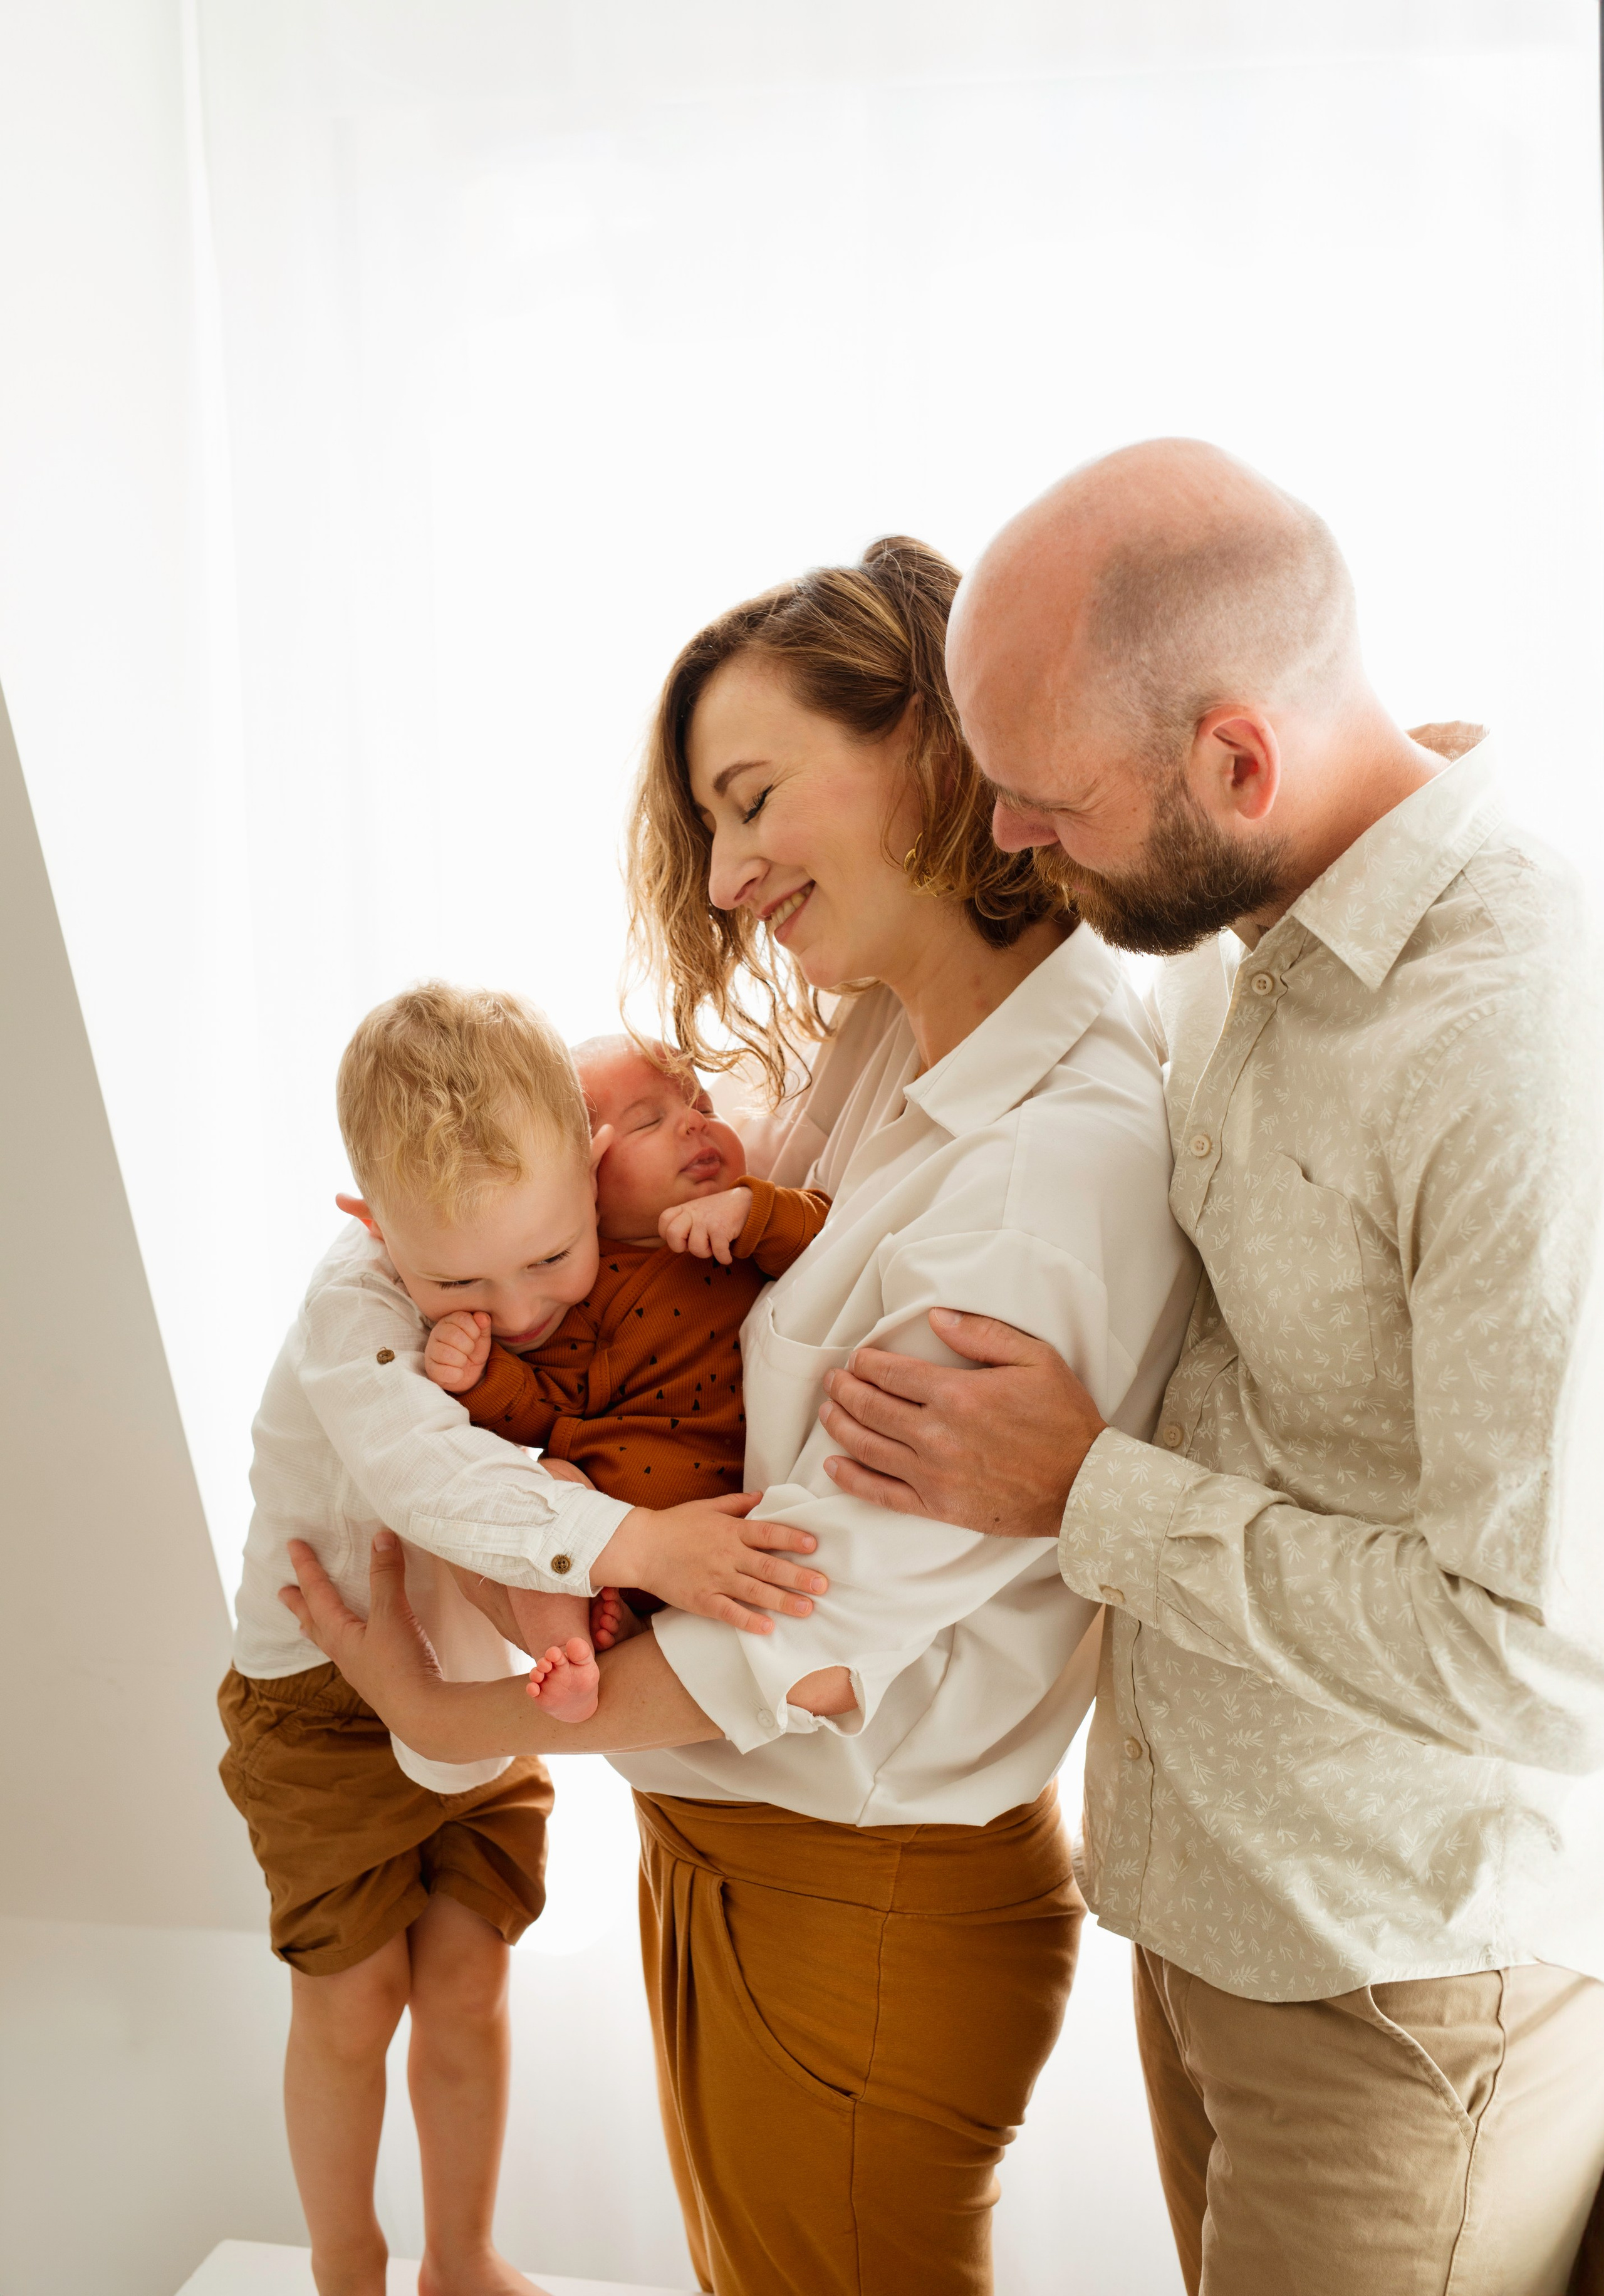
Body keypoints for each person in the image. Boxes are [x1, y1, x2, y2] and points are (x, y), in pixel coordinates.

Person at [281, 535, 1195, 2296]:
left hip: (859, 1892)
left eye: (755, 798)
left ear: (937, 745)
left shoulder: (1049, 1157)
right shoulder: (890, 1042)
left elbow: (807, 1613)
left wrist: (448, 1712)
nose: (726, 873)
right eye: (709, 825)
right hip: (747, 1842)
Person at [817, 443, 1604, 2294]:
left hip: (1400, 1985)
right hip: (1201, 1913)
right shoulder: (1222, 933)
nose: (1007, 841)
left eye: (1042, 802)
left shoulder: (1514, 1046)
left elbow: (1541, 1644)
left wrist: (1077, 1490)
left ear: (1237, 763)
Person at [221, 982, 823, 2296]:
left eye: (552, 1257)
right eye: (461, 1277)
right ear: (373, 1228)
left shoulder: (597, 1239)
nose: (523, 1306)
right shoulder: (357, 1311)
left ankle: (462, 2254)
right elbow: (437, 1478)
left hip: (486, 1668)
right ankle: (345, 2262)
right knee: (351, 1993)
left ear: (592, 1174)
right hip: (322, 1692)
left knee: (467, 1975)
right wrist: (650, 1545)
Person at [424, 1032, 831, 1685]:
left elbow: (828, 1237)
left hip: (740, 1519)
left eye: (699, 1101)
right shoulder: (576, 1288)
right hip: (619, 1530)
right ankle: (567, 1649)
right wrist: (478, 1374)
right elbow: (540, 1409)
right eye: (649, 1119)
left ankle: (613, 1628)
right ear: (580, 1179)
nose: (696, 1119)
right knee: (545, 1483)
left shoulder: (747, 1220)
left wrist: (751, 1211)